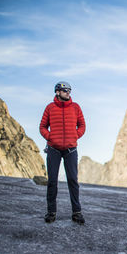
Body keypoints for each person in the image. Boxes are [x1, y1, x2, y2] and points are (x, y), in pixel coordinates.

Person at [39, 81, 86, 224]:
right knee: (52, 181)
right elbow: (42, 127)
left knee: (73, 180)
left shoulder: (76, 107)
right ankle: (51, 212)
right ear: (58, 92)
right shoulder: (50, 108)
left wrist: (75, 135)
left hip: (71, 149)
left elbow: (82, 125)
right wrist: (50, 137)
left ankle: (77, 213)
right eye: (65, 91)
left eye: (69, 91)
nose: (68, 93)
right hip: (54, 149)